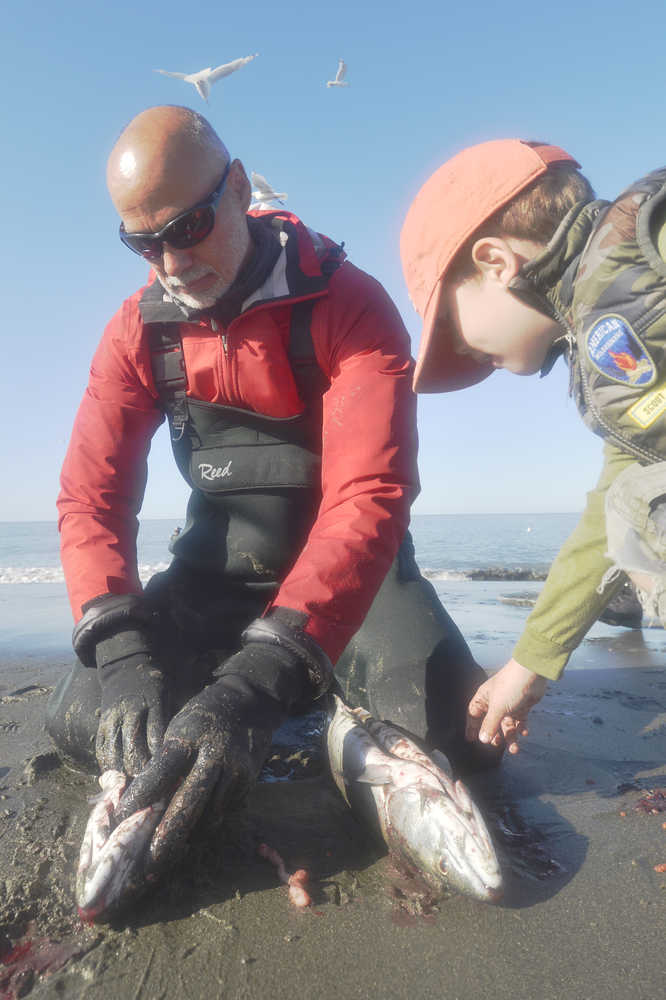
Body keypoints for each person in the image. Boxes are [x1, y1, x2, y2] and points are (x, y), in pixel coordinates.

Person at [47, 106, 498, 877]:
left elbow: (372, 493)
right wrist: (122, 652)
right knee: (82, 715)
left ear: (239, 189)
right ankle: (240, 706)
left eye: (188, 228)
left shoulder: (348, 304)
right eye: (143, 242)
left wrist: (264, 675)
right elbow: (90, 496)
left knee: (457, 732)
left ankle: (327, 716)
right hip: (214, 576)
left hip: (360, 589)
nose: (171, 263)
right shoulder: (138, 332)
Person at [400, 139, 666, 756]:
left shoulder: (641, 248)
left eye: (447, 324)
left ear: (495, 261)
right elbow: (611, 512)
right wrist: (530, 662)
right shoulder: (605, 335)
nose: (461, 353)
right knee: (632, 505)